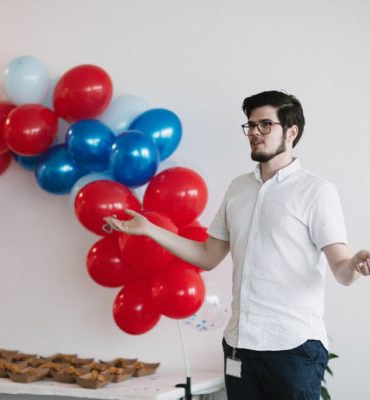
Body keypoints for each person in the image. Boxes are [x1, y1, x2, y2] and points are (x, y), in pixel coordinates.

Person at [103, 90, 370, 400]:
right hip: (239, 347)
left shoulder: (316, 191)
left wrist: (356, 264)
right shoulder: (238, 188)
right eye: (251, 125)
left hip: (293, 349)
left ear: (292, 132)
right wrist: (150, 230)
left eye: (265, 124)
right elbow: (207, 255)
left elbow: (341, 269)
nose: (255, 133)